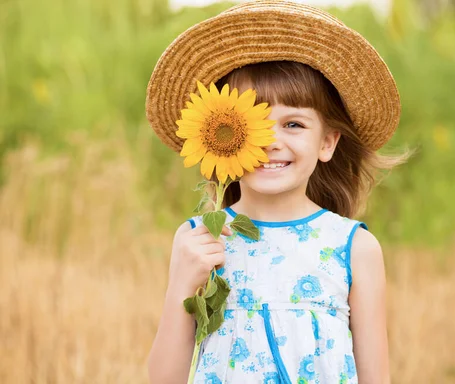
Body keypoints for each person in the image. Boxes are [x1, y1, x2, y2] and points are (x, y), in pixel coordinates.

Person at [145, 1, 409, 383]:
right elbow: (163, 379)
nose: (271, 143)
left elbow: (375, 377)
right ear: (223, 133)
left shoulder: (352, 248)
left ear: (328, 143)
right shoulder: (199, 240)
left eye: (294, 124)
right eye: (253, 124)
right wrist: (182, 287)